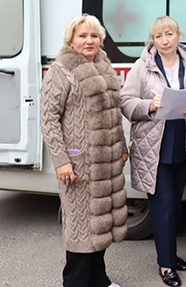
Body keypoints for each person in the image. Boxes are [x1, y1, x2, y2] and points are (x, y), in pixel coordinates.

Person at [40, 14, 128, 287]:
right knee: (80, 230)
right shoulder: (61, 70)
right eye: (82, 36)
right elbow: (48, 119)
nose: (89, 41)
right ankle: (76, 281)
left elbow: (112, 113)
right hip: (78, 165)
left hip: (106, 163)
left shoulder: (102, 65)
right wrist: (61, 161)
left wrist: (121, 146)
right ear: (70, 40)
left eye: (93, 35)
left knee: (100, 226)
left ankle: (98, 279)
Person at [121, 16, 186, 287]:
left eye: (169, 34)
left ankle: (169, 253)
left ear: (178, 35)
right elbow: (126, 102)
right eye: (158, 36)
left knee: (174, 203)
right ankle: (166, 265)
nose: (164, 40)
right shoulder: (142, 66)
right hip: (154, 146)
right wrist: (150, 105)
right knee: (162, 205)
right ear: (153, 40)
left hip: (183, 141)